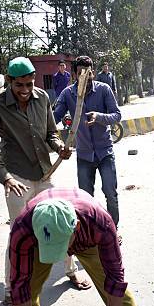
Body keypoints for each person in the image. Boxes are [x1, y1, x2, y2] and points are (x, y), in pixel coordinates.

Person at [0, 56, 89, 306]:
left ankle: (70, 271)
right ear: (9, 81)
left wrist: (59, 146)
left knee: (62, 224)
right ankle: (11, 288)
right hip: (17, 178)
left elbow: (51, 132)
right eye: (20, 86)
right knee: (18, 236)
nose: (26, 91)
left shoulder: (41, 97)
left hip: (44, 174)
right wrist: (5, 177)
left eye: (29, 84)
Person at [10, 187, 140, 306]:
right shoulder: (23, 230)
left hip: (88, 239)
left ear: (76, 227)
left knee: (110, 286)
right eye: (52, 248)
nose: (60, 256)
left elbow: (116, 279)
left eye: (61, 246)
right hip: (42, 242)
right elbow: (18, 287)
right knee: (29, 290)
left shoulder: (99, 222)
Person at [54, 56, 122, 229]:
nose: (85, 75)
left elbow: (116, 115)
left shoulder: (104, 89)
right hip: (84, 154)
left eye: (88, 72)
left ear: (92, 71)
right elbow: (54, 117)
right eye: (80, 72)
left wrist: (99, 117)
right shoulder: (67, 93)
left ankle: (113, 230)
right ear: (75, 74)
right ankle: (90, 233)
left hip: (105, 152)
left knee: (110, 194)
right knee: (85, 198)